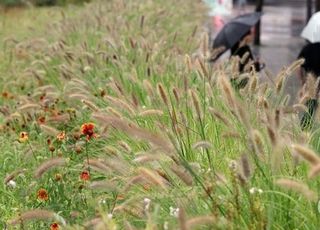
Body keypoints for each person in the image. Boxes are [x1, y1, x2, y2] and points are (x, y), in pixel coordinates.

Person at [297, 41, 320, 130]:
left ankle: (305, 126)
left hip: (310, 82)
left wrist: (302, 80)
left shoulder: (307, 48)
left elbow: (298, 66)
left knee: (310, 105)